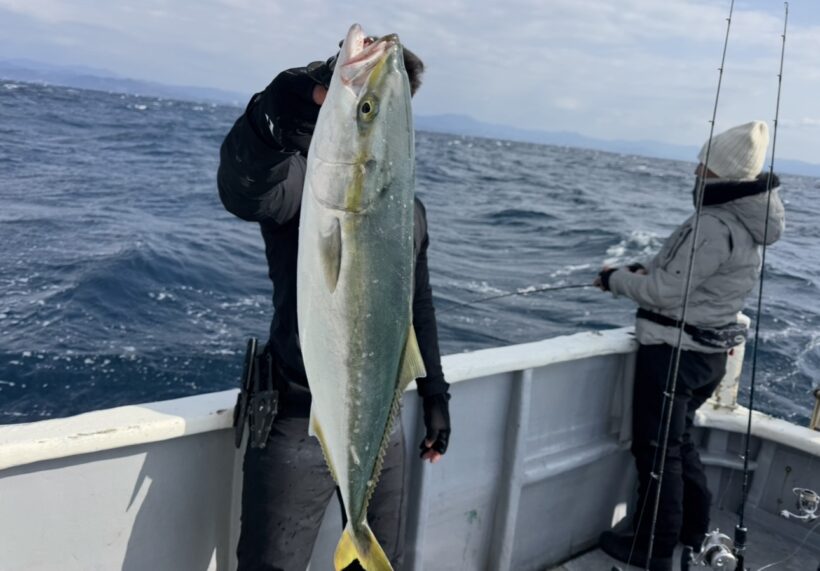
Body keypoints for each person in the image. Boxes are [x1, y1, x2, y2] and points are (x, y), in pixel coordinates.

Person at [217, 37, 451, 571]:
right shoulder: (306, 181)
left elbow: (418, 304)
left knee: (382, 560)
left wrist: (435, 392)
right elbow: (245, 190)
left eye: (375, 109)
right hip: (295, 415)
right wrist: (268, 121)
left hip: (380, 420)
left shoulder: (406, 211)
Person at [594, 121, 785, 570]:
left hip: (674, 354)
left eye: (706, 164)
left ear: (723, 173)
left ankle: (654, 548)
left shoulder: (713, 224)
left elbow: (664, 293)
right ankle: (692, 529)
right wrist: (644, 269)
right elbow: (685, 277)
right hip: (707, 356)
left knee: (657, 452)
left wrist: (614, 279)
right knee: (677, 444)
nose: (697, 170)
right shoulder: (744, 220)